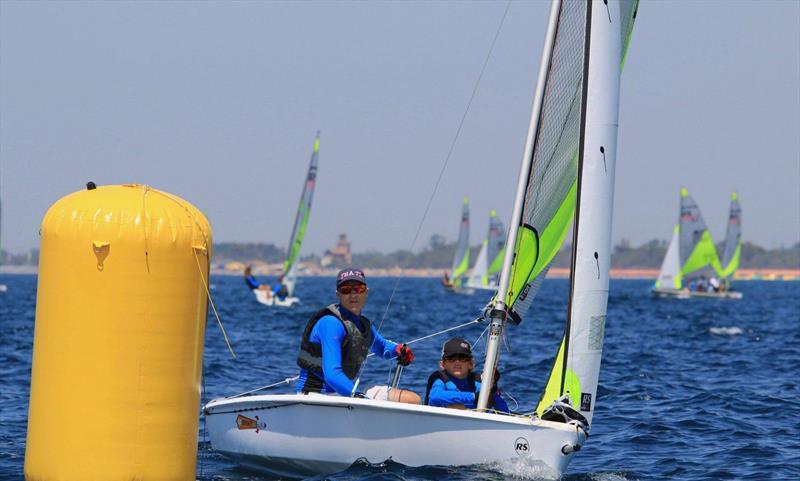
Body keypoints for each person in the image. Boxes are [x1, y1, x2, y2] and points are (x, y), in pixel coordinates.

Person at [296, 268, 420, 404]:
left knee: (411, 400)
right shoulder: (330, 323)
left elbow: (382, 346)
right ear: (338, 294)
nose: (353, 294)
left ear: (366, 292)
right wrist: (358, 397)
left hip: (345, 396)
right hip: (316, 397)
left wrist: (398, 350)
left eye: (359, 289)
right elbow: (332, 375)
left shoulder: (363, 325)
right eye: (346, 289)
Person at [424, 337, 509, 413]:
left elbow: (504, 412)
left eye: (462, 358)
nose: (457, 362)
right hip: (443, 423)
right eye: (451, 358)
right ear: (442, 364)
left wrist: (492, 389)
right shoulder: (440, 380)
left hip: (475, 425)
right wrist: (473, 397)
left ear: (471, 364)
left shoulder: (479, 383)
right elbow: (435, 397)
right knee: (455, 407)